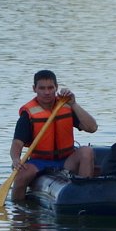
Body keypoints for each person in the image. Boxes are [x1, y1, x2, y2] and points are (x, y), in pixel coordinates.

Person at [11, 69, 98, 202]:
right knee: (22, 176)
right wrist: (16, 159)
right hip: (39, 161)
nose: (47, 92)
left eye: (50, 88)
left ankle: (82, 196)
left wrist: (73, 104)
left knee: (87, 151)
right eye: (42, 88)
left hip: (66, 159)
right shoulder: (28, 115)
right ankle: (18, 211)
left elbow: (92, 128)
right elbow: (17, 143)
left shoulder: (66, 107)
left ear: (56, 88)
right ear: (35, 89)